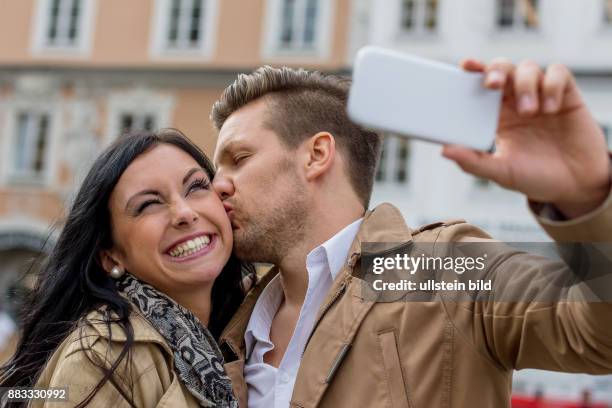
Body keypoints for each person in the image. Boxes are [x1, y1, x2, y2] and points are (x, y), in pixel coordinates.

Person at [210, 60, 612, 407]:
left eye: (238, 159)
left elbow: (597, 335)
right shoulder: (231, 324)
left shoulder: (443, 268)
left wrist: (588, 197)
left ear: (317, 155)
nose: (218, 186)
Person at [0, 129, 253, 407]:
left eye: (195, 187)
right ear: (110, 257)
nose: (183, 212)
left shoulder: (251, 324)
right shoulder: (102, 357)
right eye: (148, 204)